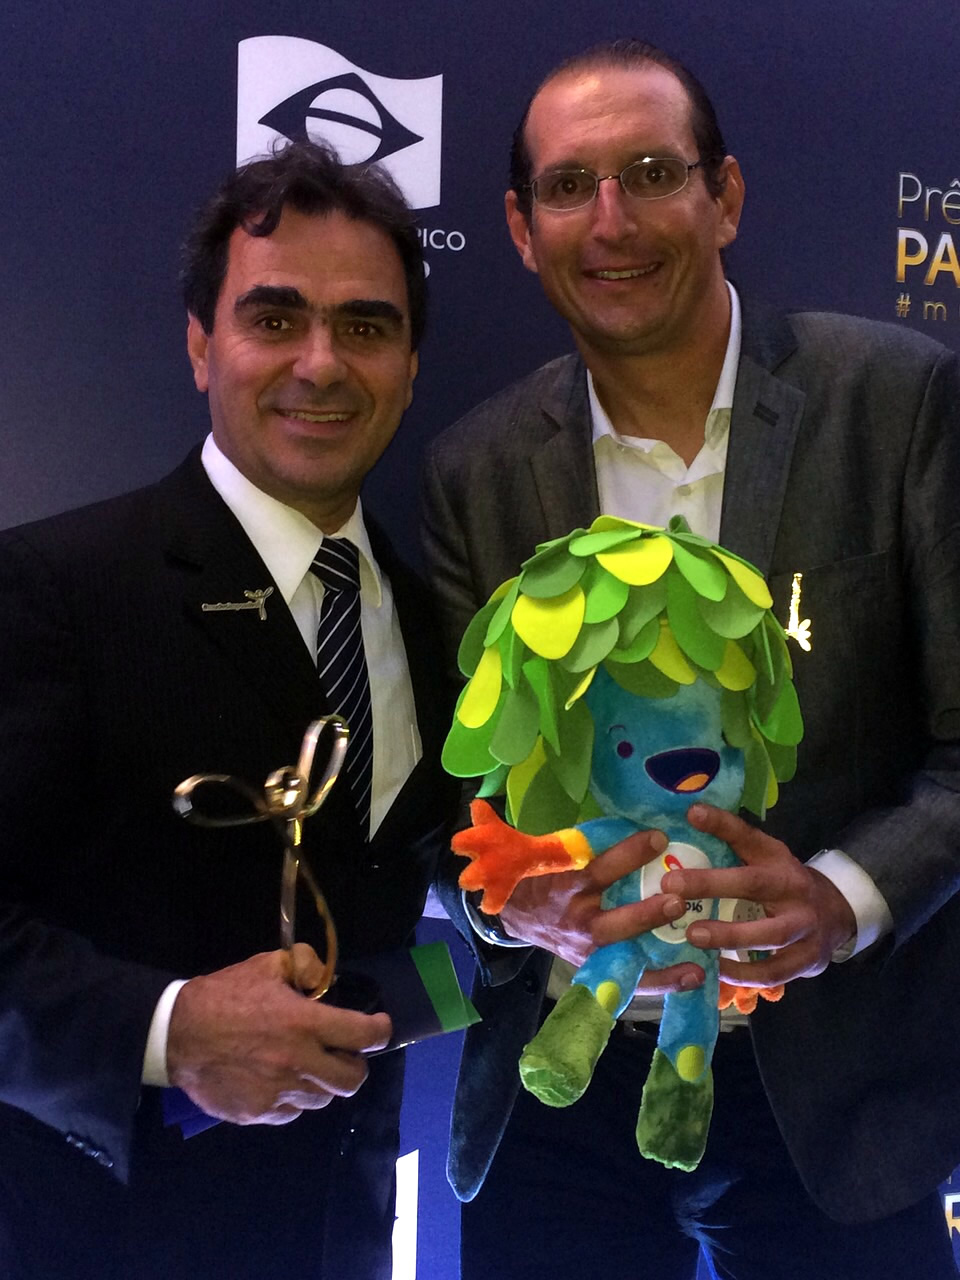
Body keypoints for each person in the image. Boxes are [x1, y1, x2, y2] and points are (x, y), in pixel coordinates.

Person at [421, 38, 960, 1280]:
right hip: (563, 1086)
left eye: (652, 173)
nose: (611, 220)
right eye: (570, 186)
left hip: (833, 1087)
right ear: (520, 228)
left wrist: (840, 898)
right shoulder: (475, 470)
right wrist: (512, 898)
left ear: (725, 195)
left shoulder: (893, 399)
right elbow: (460, 794)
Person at [0, 140, 455, 1280]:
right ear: (203, 343)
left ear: (409, 366)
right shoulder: (54, 588)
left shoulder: (433, 620)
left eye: (365, 326)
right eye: (275, 317)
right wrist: (169, 1029)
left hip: (345, 1231)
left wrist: (523, 911)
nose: (322, 363)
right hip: (100, 1240)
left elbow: (398, 889)